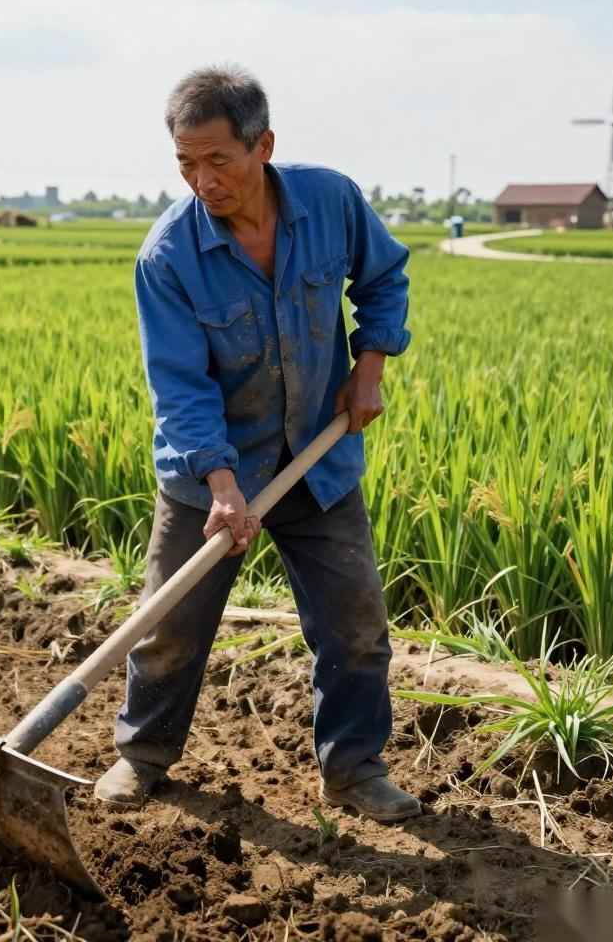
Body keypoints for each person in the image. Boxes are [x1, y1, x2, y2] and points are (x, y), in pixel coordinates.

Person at [94, 65, 420, 823]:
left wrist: (368, 366)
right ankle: (142, 758)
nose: (202, 181)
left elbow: (385, 278)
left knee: (357, 627)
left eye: (218, 161)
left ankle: (354, 769)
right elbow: (180, 386)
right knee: (169, 629)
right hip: (210, 474)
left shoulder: (331, 202)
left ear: (263, 145)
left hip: (317, 459)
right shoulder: (169, 257)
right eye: (185, 165)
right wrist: (221, 485)